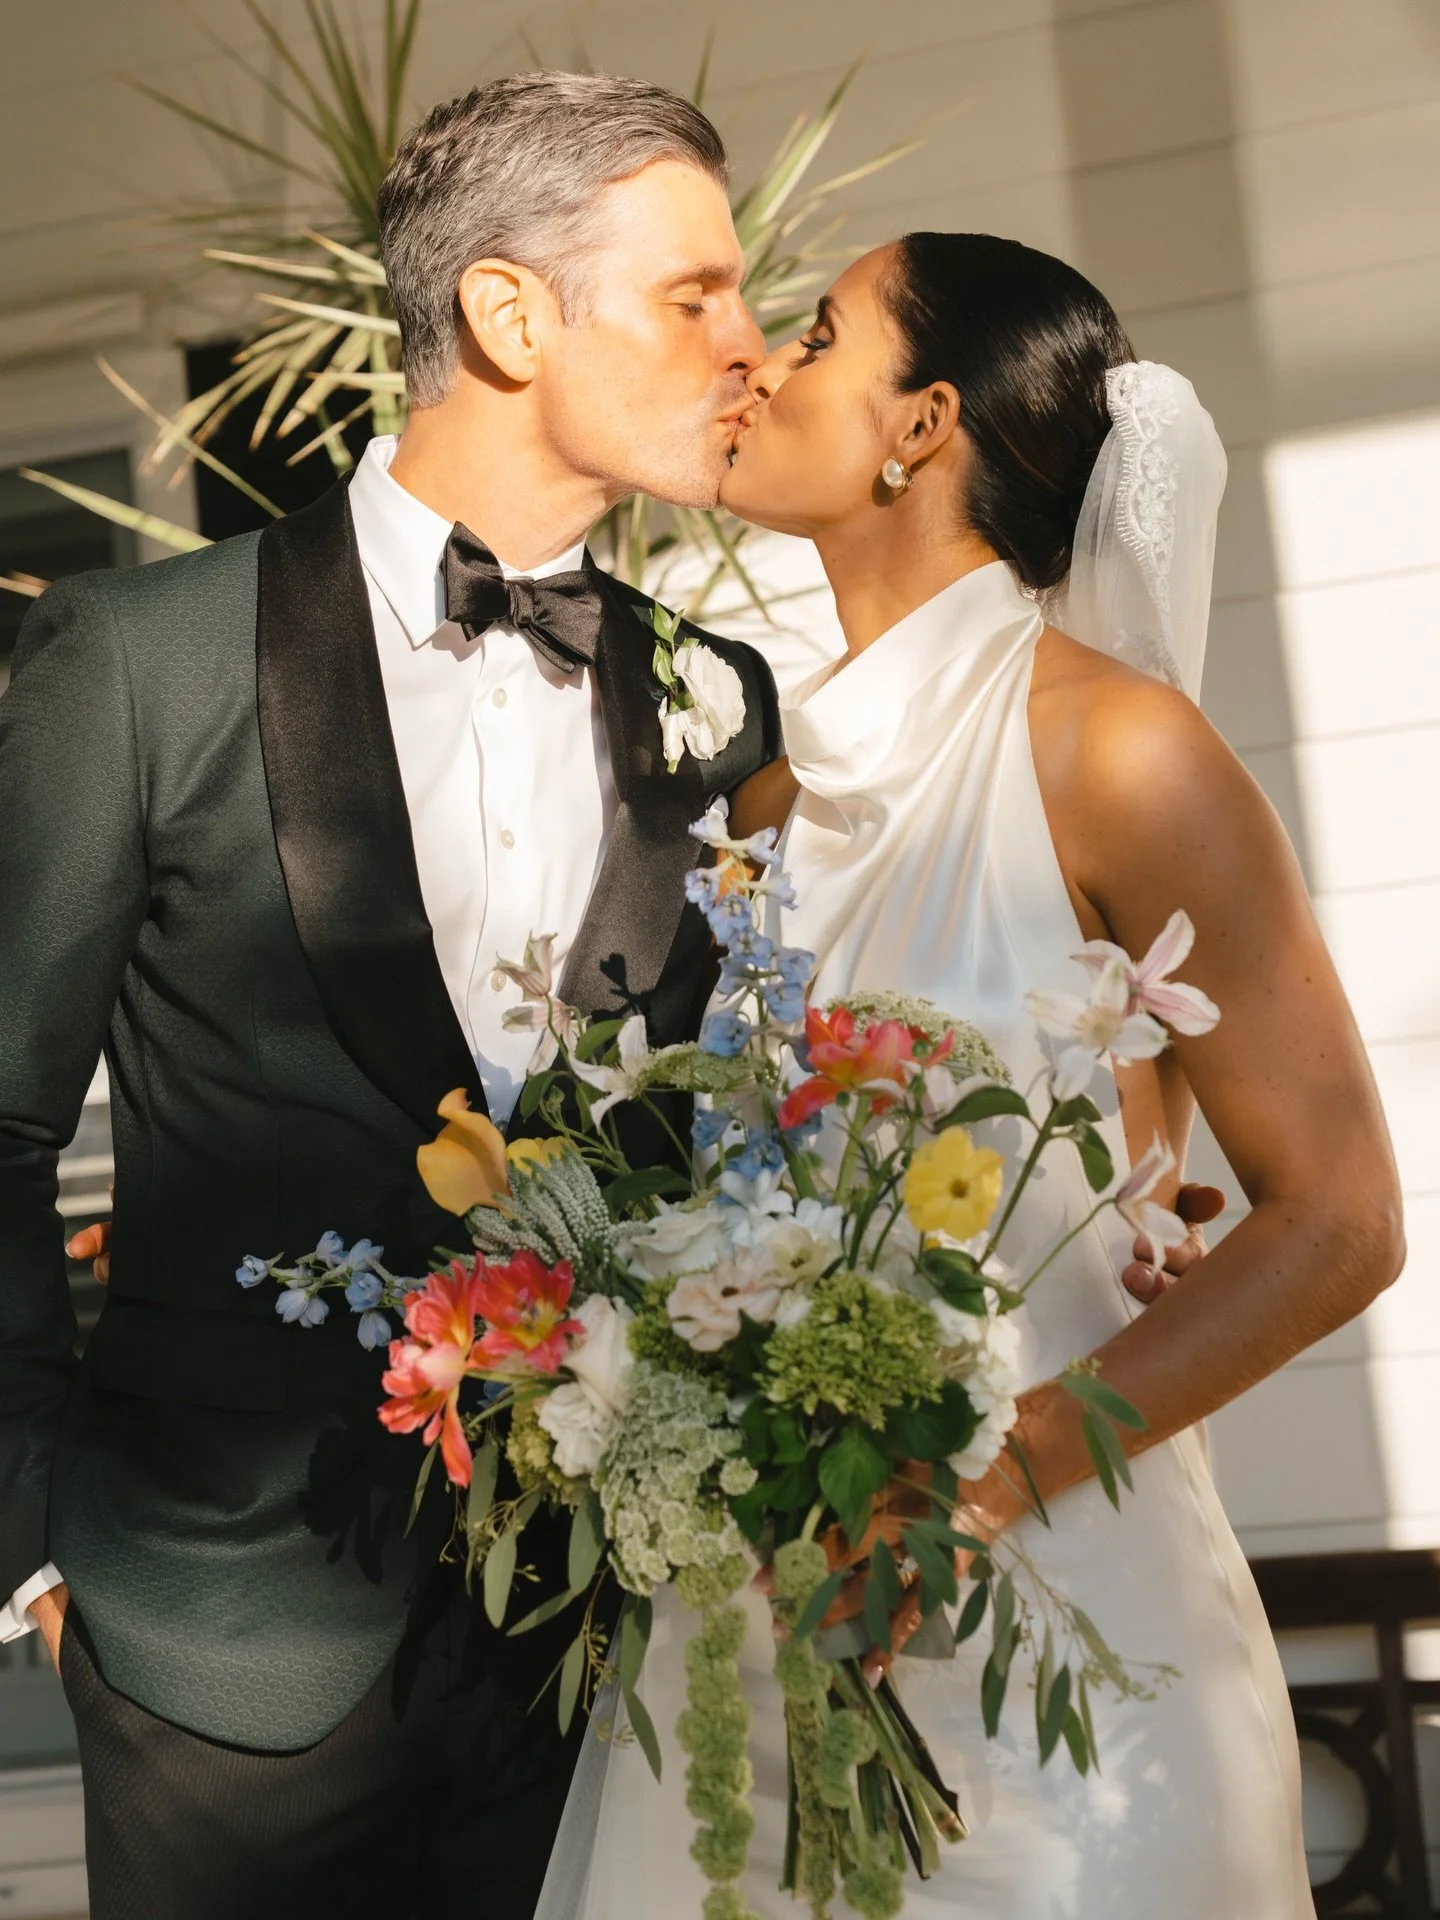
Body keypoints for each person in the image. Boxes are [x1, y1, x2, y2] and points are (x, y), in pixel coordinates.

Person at [536, 236, 1403, 1919]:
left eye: (815, 332)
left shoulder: (1120, 749)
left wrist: (980, 1480)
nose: (759, 364)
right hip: (762, 1669)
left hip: (1063, 1665)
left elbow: (1343, 1223)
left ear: (919, 425)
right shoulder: (763, 810)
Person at [0, 73, 783, 1920]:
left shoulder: (722, 700)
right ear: (511, 317)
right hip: (216, 1632)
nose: (751, 344)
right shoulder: (133, 661)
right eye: (696, 295)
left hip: (613, 1651)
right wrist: (36, 1535)